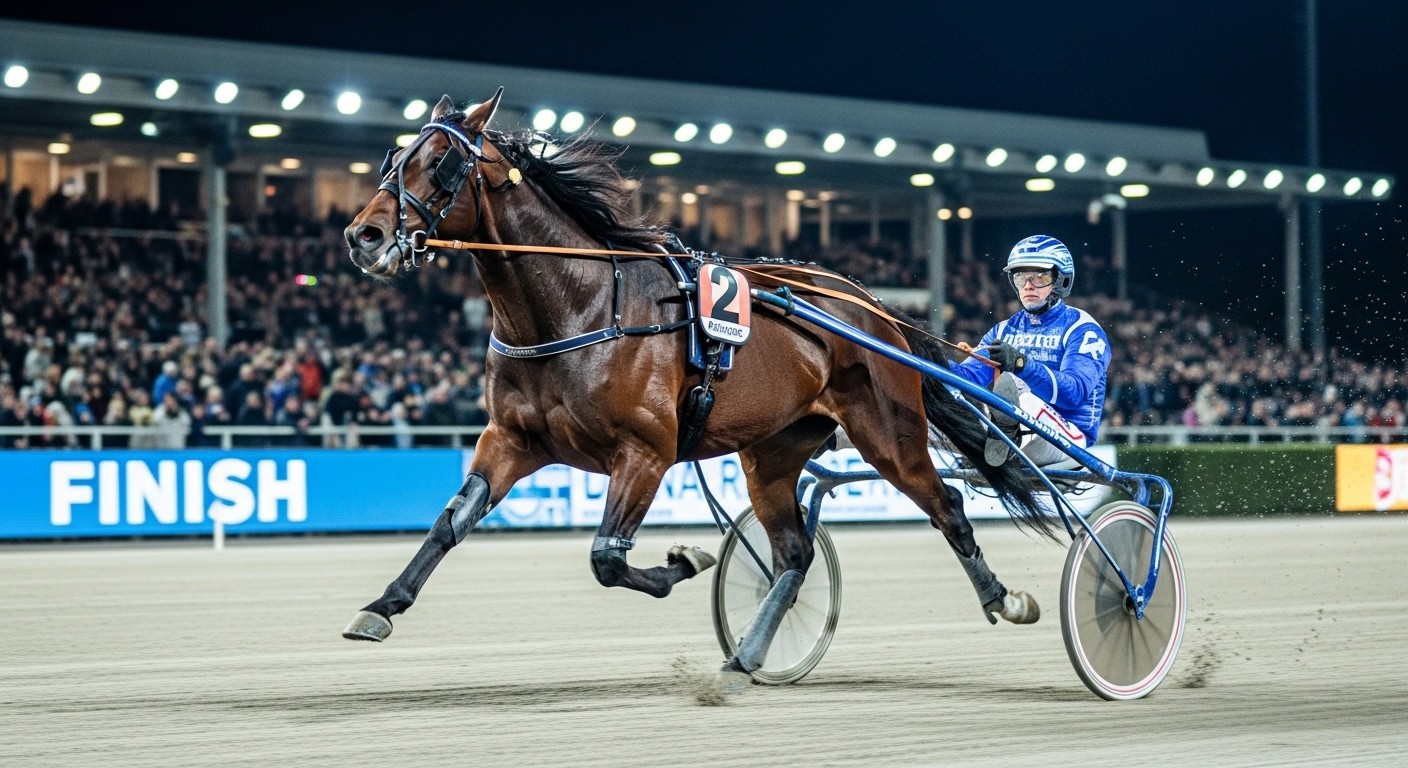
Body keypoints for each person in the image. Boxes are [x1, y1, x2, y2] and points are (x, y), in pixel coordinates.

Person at [950, 235, 1110, 467]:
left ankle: (996, 444)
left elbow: (1073, 394)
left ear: (1060, 281)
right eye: (1020, 276)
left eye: (1040, 276)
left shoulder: (1084, 330)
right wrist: (926, 356)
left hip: (1069, 440)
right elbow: (966, 380)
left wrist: (1020, 364)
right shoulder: (1003, 330)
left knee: (1027, 403)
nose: (1028, 285)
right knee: (930, 406)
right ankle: (994, 441)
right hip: (1018, 428)